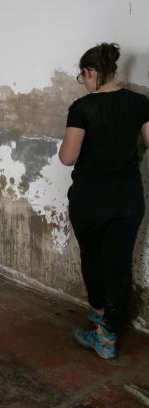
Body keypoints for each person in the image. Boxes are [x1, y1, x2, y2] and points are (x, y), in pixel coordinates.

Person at [59, 43, 149, 360]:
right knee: (119, 264)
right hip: (128, 198)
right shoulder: (140, 103)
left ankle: (98, 314)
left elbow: (68, 158)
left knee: (93, 258)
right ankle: (107, 336)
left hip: (90, 199)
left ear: (91, 72)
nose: (82, 82)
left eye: (82, 75)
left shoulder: (82, 108)